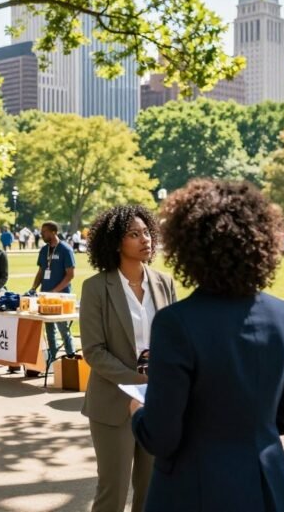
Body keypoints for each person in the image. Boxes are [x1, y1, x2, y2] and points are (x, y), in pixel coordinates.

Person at [130, 179, 284, 511]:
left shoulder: (175, 323)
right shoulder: (282, 315)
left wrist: (137, 412)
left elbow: (161, 437)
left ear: (188, 247)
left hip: (193, 491)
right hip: (268, 488)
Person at [80, 205, 176, 512]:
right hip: (112, 404)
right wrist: (140, 381)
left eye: (146, 232)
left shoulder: (164, 282)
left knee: (151, 491)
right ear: (116, 243)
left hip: (159, 402)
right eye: (134, 234)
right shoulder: (96, 288)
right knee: (113, 490)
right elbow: (94, 351)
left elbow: (174, 340)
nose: (144, 239)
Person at [29, 221, 77, 361]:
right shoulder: (44, 250)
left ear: (53, 232)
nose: (41, 234)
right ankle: (52, 356)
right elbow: (41, 271)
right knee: (49, 329)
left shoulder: (65, 249)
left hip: (61, 297)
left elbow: (70, 274)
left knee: (63, 328)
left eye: (44, 232)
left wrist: (55, 291)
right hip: (45, 295)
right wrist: (33, 288)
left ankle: (70, 355)